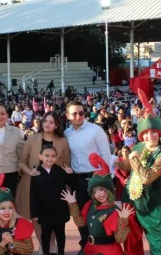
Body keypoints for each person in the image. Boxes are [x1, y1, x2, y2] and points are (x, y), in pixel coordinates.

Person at [118, 90, 161, 255]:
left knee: (158, 245)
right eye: (146, 133)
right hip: (131, 202)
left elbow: (146, 177)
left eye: (153, 132)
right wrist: (113, 161)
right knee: (131, 243)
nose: (150, 136)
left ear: (159, 133)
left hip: (150, 206)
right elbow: (127, 166)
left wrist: (133, 160)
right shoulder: (139, 147)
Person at [16, 111, 70, 254]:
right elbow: (22, 161)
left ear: (56, 125)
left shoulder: (62, 141)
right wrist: (29, 171)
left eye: (51, 122)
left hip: (55, 186)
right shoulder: (32, 139)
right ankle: (43, 245)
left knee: (54, 217)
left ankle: (52, 245)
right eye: (46, 121)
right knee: (36, 215)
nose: (47, 124)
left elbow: (66, 163)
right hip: (34, 184)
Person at [60, 153, 134, 255]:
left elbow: (120, 239)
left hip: (108, 251)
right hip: (90, 248)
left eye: (101, 190)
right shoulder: (91, 205)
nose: (98, 194)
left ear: (108, 190)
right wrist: (73, 203)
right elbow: (80, 223)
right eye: (94, 192)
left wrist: (123, 219)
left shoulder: (114, 210)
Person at [64, 101, 111, 254]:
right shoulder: (66, 134)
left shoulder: (96, 130)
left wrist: (105, 178)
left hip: (96, 177)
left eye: (81, 113)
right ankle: (86, 243)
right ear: (68, 116)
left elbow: (106, 155)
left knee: (100, 212)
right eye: (74, 113)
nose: (78, 116)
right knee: (80, 213)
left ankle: (101, 244)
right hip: (77, 179)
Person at [30, 145, 73, 255]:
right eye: (47, 156)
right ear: (41, 157)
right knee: (45, 235)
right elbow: (33, 194)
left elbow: (72, 184)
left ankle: (61, 252)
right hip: (44, 211)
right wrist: (34, 213)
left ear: (57, 157)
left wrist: (70, 174)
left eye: (53, 156)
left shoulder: (60, 170)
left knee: (60, 234)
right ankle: (45, 252)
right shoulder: (36, 173)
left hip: (60, 209)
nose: (50, 159)